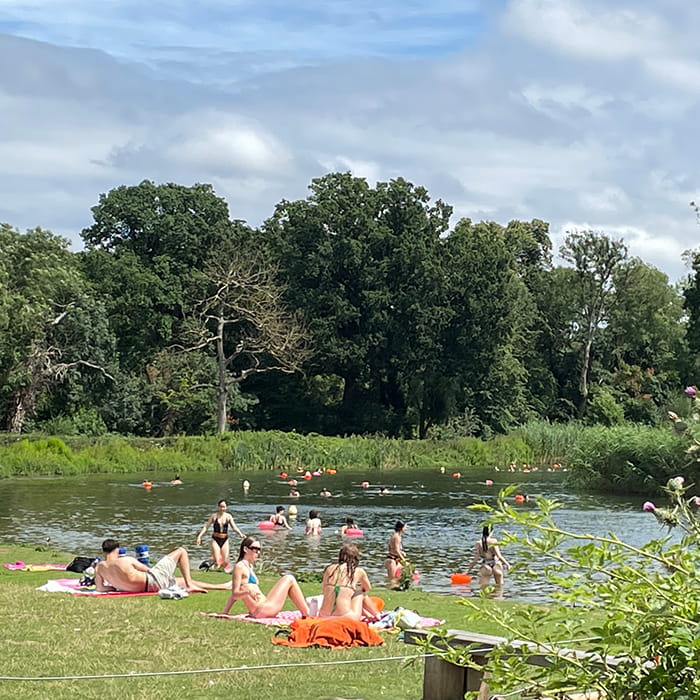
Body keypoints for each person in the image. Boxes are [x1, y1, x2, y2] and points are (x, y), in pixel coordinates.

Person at [94, 539, 230, 593]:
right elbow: (149, 570)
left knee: (179, 580)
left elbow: (100, 588)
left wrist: (115, 586)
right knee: (181, 551)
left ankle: (222, 586)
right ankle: (190, 585)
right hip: (153, 581)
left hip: (141, 588)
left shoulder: (99, 568)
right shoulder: (125, 560)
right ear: (117, 550)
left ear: (103, 551)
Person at [221, 537, 309, 618]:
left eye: (259, 550)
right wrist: (247, 592)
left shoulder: (249, 566)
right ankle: (307, 614)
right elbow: (235, 594)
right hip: (261, 610)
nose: (258, 552)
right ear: (245, 549)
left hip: (262, 607)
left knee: (289, 580)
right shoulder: (239, 566)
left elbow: (235, 593)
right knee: (289, 578)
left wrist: (225, 612)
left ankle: (306, 614)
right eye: (255, 549)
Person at [318, 544, 380, 620]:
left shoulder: (329, 569)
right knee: (360, 592)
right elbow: (367, 588)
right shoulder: (358, 571)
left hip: (323, 615)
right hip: (345, 617)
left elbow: (324, 589)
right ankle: (377, 614)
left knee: (342, 594)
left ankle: (369, 615)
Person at [195, 500, 245, 571]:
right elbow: (206, 527)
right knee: (218, 561)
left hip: (225, 539)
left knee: (225, 561)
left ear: (226, 507)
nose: (222, 508)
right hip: (215, 539)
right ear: (218, 507)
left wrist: (240, 534)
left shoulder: (228, 516)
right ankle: (214, 570)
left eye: (224, 507)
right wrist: (199, 536)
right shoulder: (214, 516)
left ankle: (212, 564)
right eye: (221, 507)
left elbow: (234, 527)